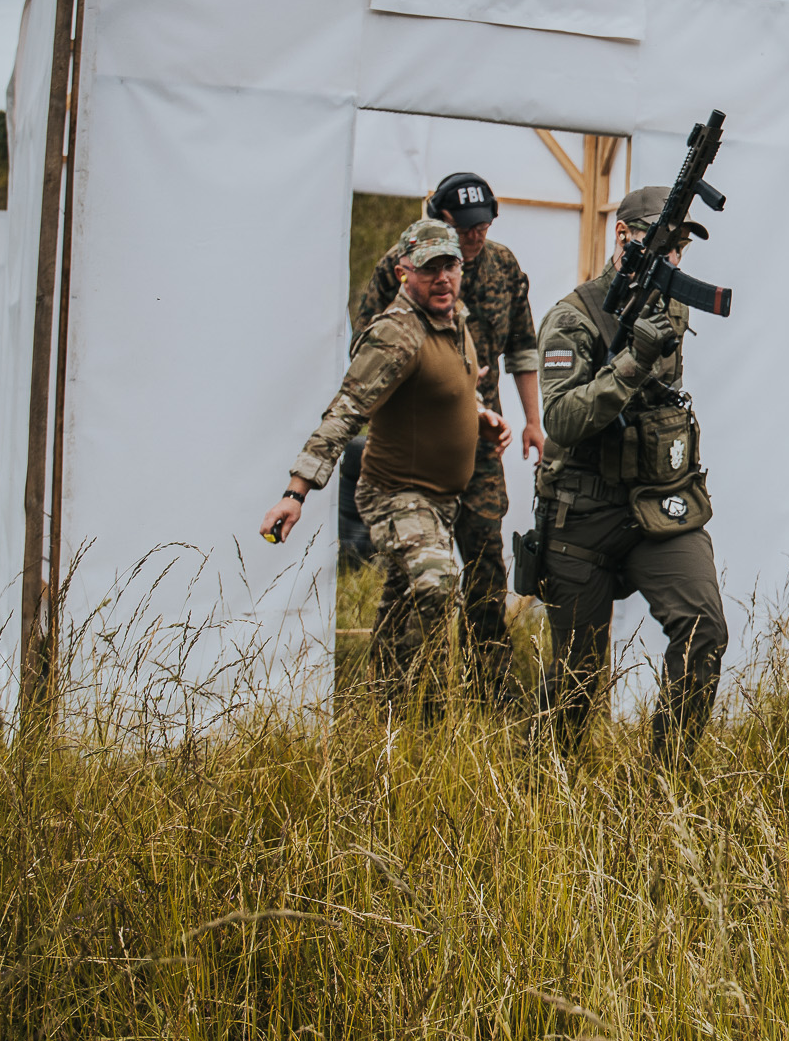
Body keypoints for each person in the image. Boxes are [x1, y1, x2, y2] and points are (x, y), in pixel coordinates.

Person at [265, 219, 510, 702]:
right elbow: (345, 412)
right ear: (404, 273)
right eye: (430, 268)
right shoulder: (395, 335)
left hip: (441, 499)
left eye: (450, 266)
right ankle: (425, 704)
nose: (443, 278)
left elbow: (450, 384)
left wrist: (479, 415)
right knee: (437, 582)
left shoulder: (455, 317)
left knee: (404, 601)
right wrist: (296, 492)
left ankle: (383, 702)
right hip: (397, 494)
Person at [532, 185, 728, 759]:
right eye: (663, 246)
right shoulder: (572, 317)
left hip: (657, 501)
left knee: (703, 630)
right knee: (578, 678)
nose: (673, 260)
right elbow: (561, 420)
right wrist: (630, 361)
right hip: (583, 509)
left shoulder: (672, 306)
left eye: (680, 250)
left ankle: (665, 783)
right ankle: (541, 788)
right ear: (623, 237)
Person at [355, 172, 542, 706]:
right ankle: (402, 691)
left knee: (486, 559)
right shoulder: (404, 265)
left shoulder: (504, 267)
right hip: (417, 444)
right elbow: (367, 352)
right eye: (465, 229)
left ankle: (489, 687)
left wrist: (532, 421)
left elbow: (523, 348)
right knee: (413, 577)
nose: (475, 237)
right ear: (440, 219)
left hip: (480, 440)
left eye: (484, 227)